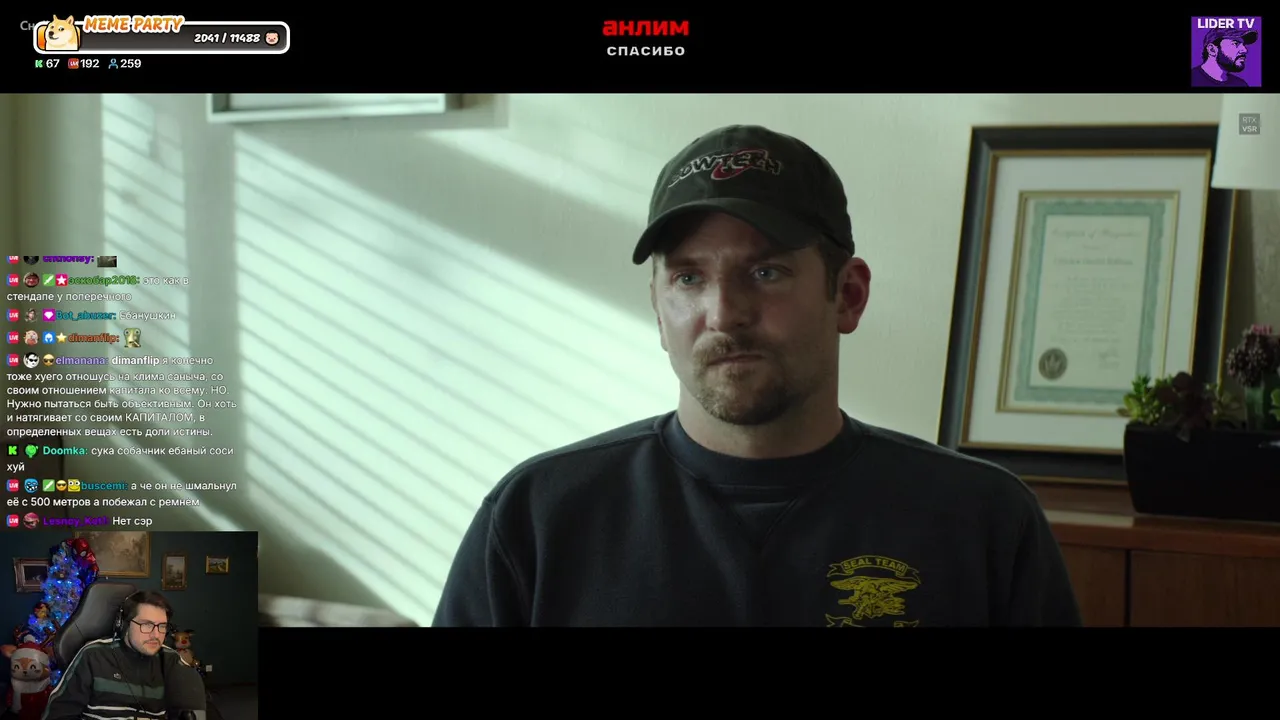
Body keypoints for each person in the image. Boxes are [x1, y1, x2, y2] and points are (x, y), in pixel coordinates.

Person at [432, 124, 1082, 627]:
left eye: (766, 272)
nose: (724, 314)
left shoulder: (981, 521)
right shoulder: (539, 520)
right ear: (658, 308)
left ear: (848, 295)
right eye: (689, 277)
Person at [42, 590, 207, 719]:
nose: (156, 635)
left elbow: (190, 712)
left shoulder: (170, 661)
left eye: (162, 626)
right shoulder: (93, 655)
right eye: (147, 625)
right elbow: (58, 713)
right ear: (124, 625)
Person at [1191, 26, 1256, 87]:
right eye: (1235, 43)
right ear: (1212, 50)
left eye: (1243, 44)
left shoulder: (1241, 84)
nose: (1245, 50)